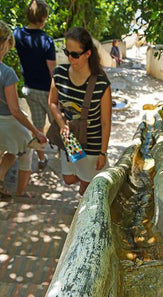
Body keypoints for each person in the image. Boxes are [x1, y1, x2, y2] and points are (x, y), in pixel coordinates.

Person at [48, 27, 112, 195]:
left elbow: (106, 122)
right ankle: (88, 181)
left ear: (88, 53)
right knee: (69, 179)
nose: (70, 58)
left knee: (86, 183)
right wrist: (62, 124)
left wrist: (102, 153)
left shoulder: (100, 83)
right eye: (67, 52)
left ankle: (82, 209)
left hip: (92, 142)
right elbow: (52, 102)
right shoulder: (59, 74)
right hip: (70, 139)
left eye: (75, 54)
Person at [0, 20, 46, 198]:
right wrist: (35, 131)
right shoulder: (7, 73)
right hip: (7, 122)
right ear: (4, 44)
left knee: (13, 146)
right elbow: (15, 110)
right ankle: (19, 192)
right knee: (27, 145)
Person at [14, 0, 56, 170]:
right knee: (58, 123)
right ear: (44, 18)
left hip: (29, 89)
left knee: (38, 124)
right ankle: (66, 155)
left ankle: (41, 158)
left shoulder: (18, 34)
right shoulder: (47, 41)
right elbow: (52, 72)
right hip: (46, 90)